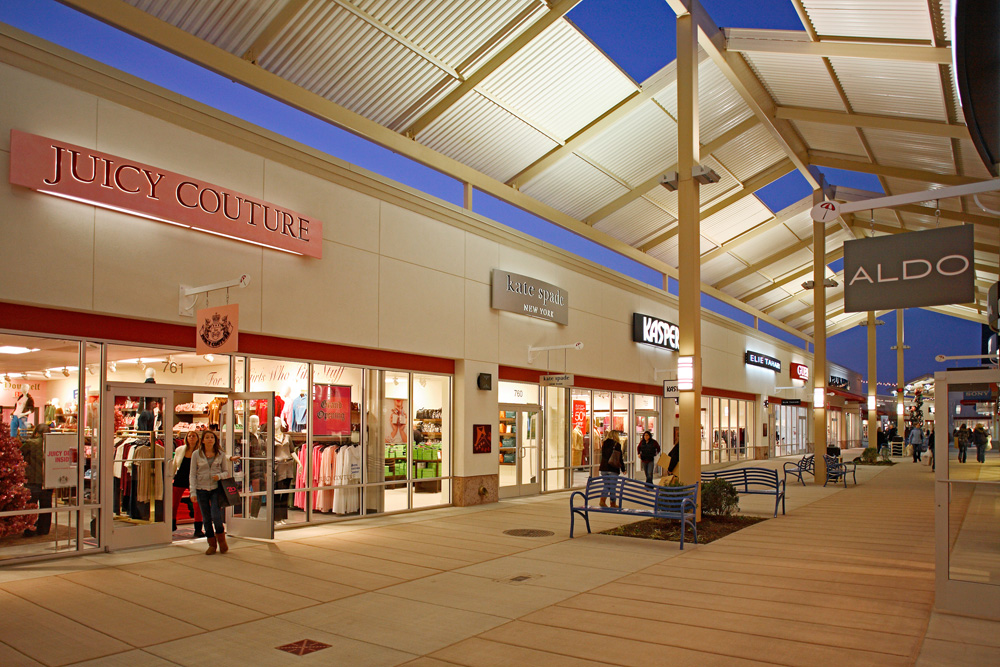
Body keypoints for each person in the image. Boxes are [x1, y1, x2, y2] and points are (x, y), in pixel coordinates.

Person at [189, 430, 237, 555]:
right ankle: (211, 543)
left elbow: (226, 472)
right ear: (203, 440)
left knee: (216, 515)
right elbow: (192, 474)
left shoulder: (220, 454)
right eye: (207, 437)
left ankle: (222, 540)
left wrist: (219, 476)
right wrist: (192, 492)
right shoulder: (196, 454)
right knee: (206, 518)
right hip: (201, 489)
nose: (210, 439)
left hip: (216, 489)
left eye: (212, 437)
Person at [170, 430, 204, 538]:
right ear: (186, 438)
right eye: (190, 436)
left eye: (194, 436)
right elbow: (175, 464)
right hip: (180, 478)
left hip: (195, 479)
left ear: (197, 438)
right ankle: (171, 524)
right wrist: (169, 476)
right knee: (174, 502)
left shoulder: (201, 451)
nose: (192, 438)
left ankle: (198, 528)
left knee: (197, 504)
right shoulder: (180, 450)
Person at [598, 431, 625, 508]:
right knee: (612, 486)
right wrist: (623, 468)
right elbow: (619, 458)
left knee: (606, 485)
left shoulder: (604, 443)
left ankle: (602, 500)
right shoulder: (617, 444)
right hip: (612, 468)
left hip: (604, 468)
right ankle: (612, 503)